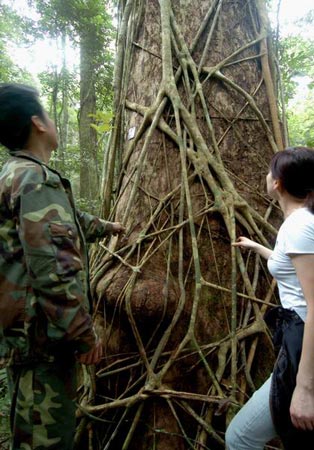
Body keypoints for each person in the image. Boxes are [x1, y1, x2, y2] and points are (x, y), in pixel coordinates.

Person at [0, 83, 125, 450]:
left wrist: (107, 227)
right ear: (38, 123)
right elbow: (53, 269)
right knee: (46, 436)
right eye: (50, 115)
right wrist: (83, 334)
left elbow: (60, 222)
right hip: (44, 338)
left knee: (27, 423)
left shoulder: (15, 174)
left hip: (23, 334)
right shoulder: (36, 179)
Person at [225, 146, 314, 450]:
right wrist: (257, 247)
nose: (265, 176)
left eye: (269, 171)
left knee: (239, 438)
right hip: (297, 337)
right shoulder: (301, 223)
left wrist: (305, 388)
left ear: (277, 183)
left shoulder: (298, 227)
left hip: (304, 343)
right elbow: (289, 263)